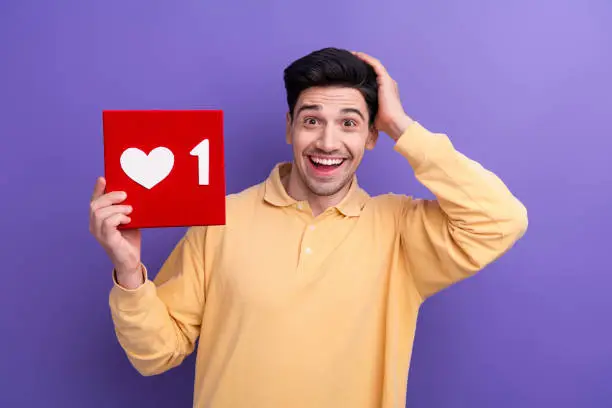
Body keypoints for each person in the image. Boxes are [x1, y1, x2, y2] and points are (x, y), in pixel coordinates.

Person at [89, 47, 528, 408]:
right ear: (290, 128)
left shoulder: (400, 230)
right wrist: (129, 272)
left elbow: (501, 220)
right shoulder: (219, 220)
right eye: (312, 120)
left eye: (350, 124)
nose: (328, 142)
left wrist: (400, 125)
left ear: (372, 136)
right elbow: (155, 355)